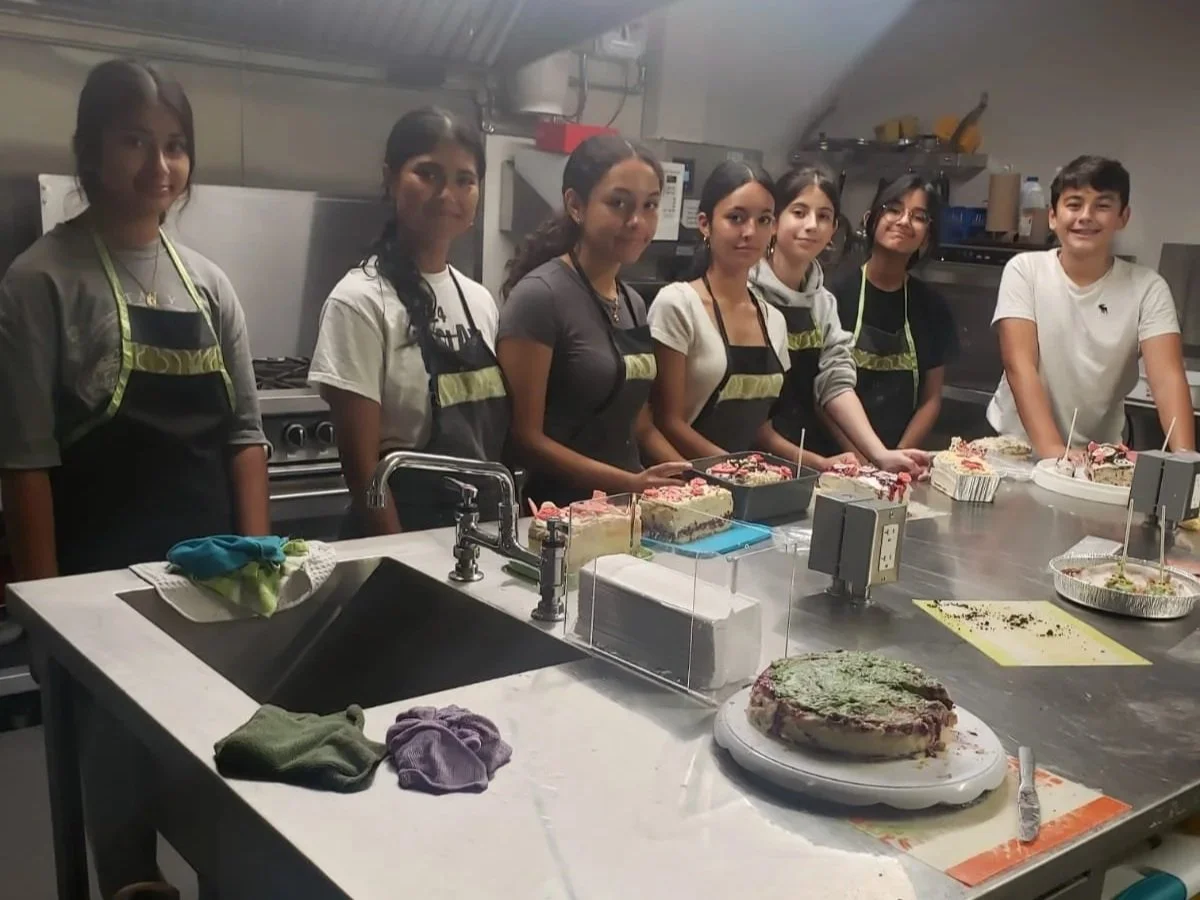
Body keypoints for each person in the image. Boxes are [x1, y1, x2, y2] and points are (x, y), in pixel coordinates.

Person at [0, 59, 268, 897]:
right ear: (90, 151)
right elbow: (26, 458)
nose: (160, 167)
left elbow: (245, 437)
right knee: (119, 824)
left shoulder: (212, 284)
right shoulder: (40, 280)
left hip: (211, 592)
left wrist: (261, 559)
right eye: (136, 142)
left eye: (176, 146)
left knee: (231, 806)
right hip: (101, 596)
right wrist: (45, 614)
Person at [309, 107, 506, 533]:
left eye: (464, 180)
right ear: (391, 178)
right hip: (401, 535)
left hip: (475, 536)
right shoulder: (359, 302)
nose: (446, 194)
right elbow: (364, 476)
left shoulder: (479, 301)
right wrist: (402, 559)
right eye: (429, 173)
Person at [498, 135, 687, 506]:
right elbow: (524, 437)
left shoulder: (631, 301)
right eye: (618, 204)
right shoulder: (541, 296)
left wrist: (696, 475)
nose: (637, 221)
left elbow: (640, 424)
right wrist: (630, 483)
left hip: (624, 509)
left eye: (649, 205)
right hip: (556, 514)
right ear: (576, 205)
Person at [988, 155, 1193, 456]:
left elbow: (1167, 378)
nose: (1086, 216)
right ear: (1053, 216)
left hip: (1100, 455)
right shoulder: (1025, 271)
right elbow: (1020, 366)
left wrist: (1186, 462)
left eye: (1102, 205)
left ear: (1123, 217)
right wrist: (1054, 451)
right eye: (1073, 204)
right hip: (1016, 447)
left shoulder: (1148, 288)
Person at [750, 166, 929, 474]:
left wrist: (879, 454)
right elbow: (747, 412)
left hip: (800, 462)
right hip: (744, 459)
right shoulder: (747, 294)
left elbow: (835, 382)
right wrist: (816, 463)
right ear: (774, 221)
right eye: (799, 212)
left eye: (823, 216)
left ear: (833, 230)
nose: (811, 225)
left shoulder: (823, 303)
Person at [649, 161, 818, 467]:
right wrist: (736, 470)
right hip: (680, 485)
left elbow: (759, 430)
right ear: (705, 223)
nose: (750, 232)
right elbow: (667, 421)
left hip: (742, 484)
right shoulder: (678, 304)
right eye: (736, 218)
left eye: (764, 219)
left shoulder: (773, 320)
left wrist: (817, 464)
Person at [826, 173, 958, 452]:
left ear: (927, 237)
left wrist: (894, 461)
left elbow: (931, 399)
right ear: (869, 220)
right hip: (835, 458)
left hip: (899, 460)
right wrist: (863, 461)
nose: (904, 221)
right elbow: (822, 392)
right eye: (893, 210)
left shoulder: (933, 307)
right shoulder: (834, 295)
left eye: (919, 216)